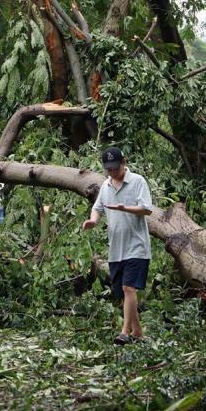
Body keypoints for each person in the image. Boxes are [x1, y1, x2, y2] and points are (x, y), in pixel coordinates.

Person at [81, 147, 154, 345]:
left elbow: (147, 209)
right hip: (116, 248)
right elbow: (97, 208)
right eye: (109, 169)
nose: (112, 173)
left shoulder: (137, 181)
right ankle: (138, 332)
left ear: (124, 162)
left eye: (115, 168)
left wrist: (125, 208)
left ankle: (124, 332)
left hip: (137, 246)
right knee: (122, 292)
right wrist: (93, 222)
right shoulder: (106, 186)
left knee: (128, 288)